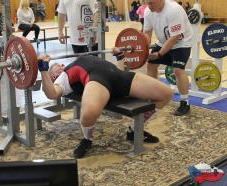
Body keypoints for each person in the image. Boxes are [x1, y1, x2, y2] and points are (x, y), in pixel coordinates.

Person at [38, 48, 173, 158]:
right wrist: (43, 69)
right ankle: (87, 139)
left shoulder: (72, 64)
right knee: (89, 113)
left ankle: (134, 131)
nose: (60, 66)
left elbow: (119, 69)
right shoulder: (63, 78)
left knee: (166, 94)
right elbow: (52, 93)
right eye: (55, 68)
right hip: (98, 81)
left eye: (59, 65)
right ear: (53, 77)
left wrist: (119, 56)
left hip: (119, 77)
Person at [143, 0, 193, 116]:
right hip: (163, 42)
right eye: (147, 3)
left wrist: (160, 54)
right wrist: (145, 49)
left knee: (178, 70)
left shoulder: (174, 10)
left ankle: (185, 102)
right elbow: (147, 33)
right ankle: (153, 95)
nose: (149, 6)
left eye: (151, 3)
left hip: (181, 43)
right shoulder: (148, 11)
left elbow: (174, 38)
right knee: (151, 64)